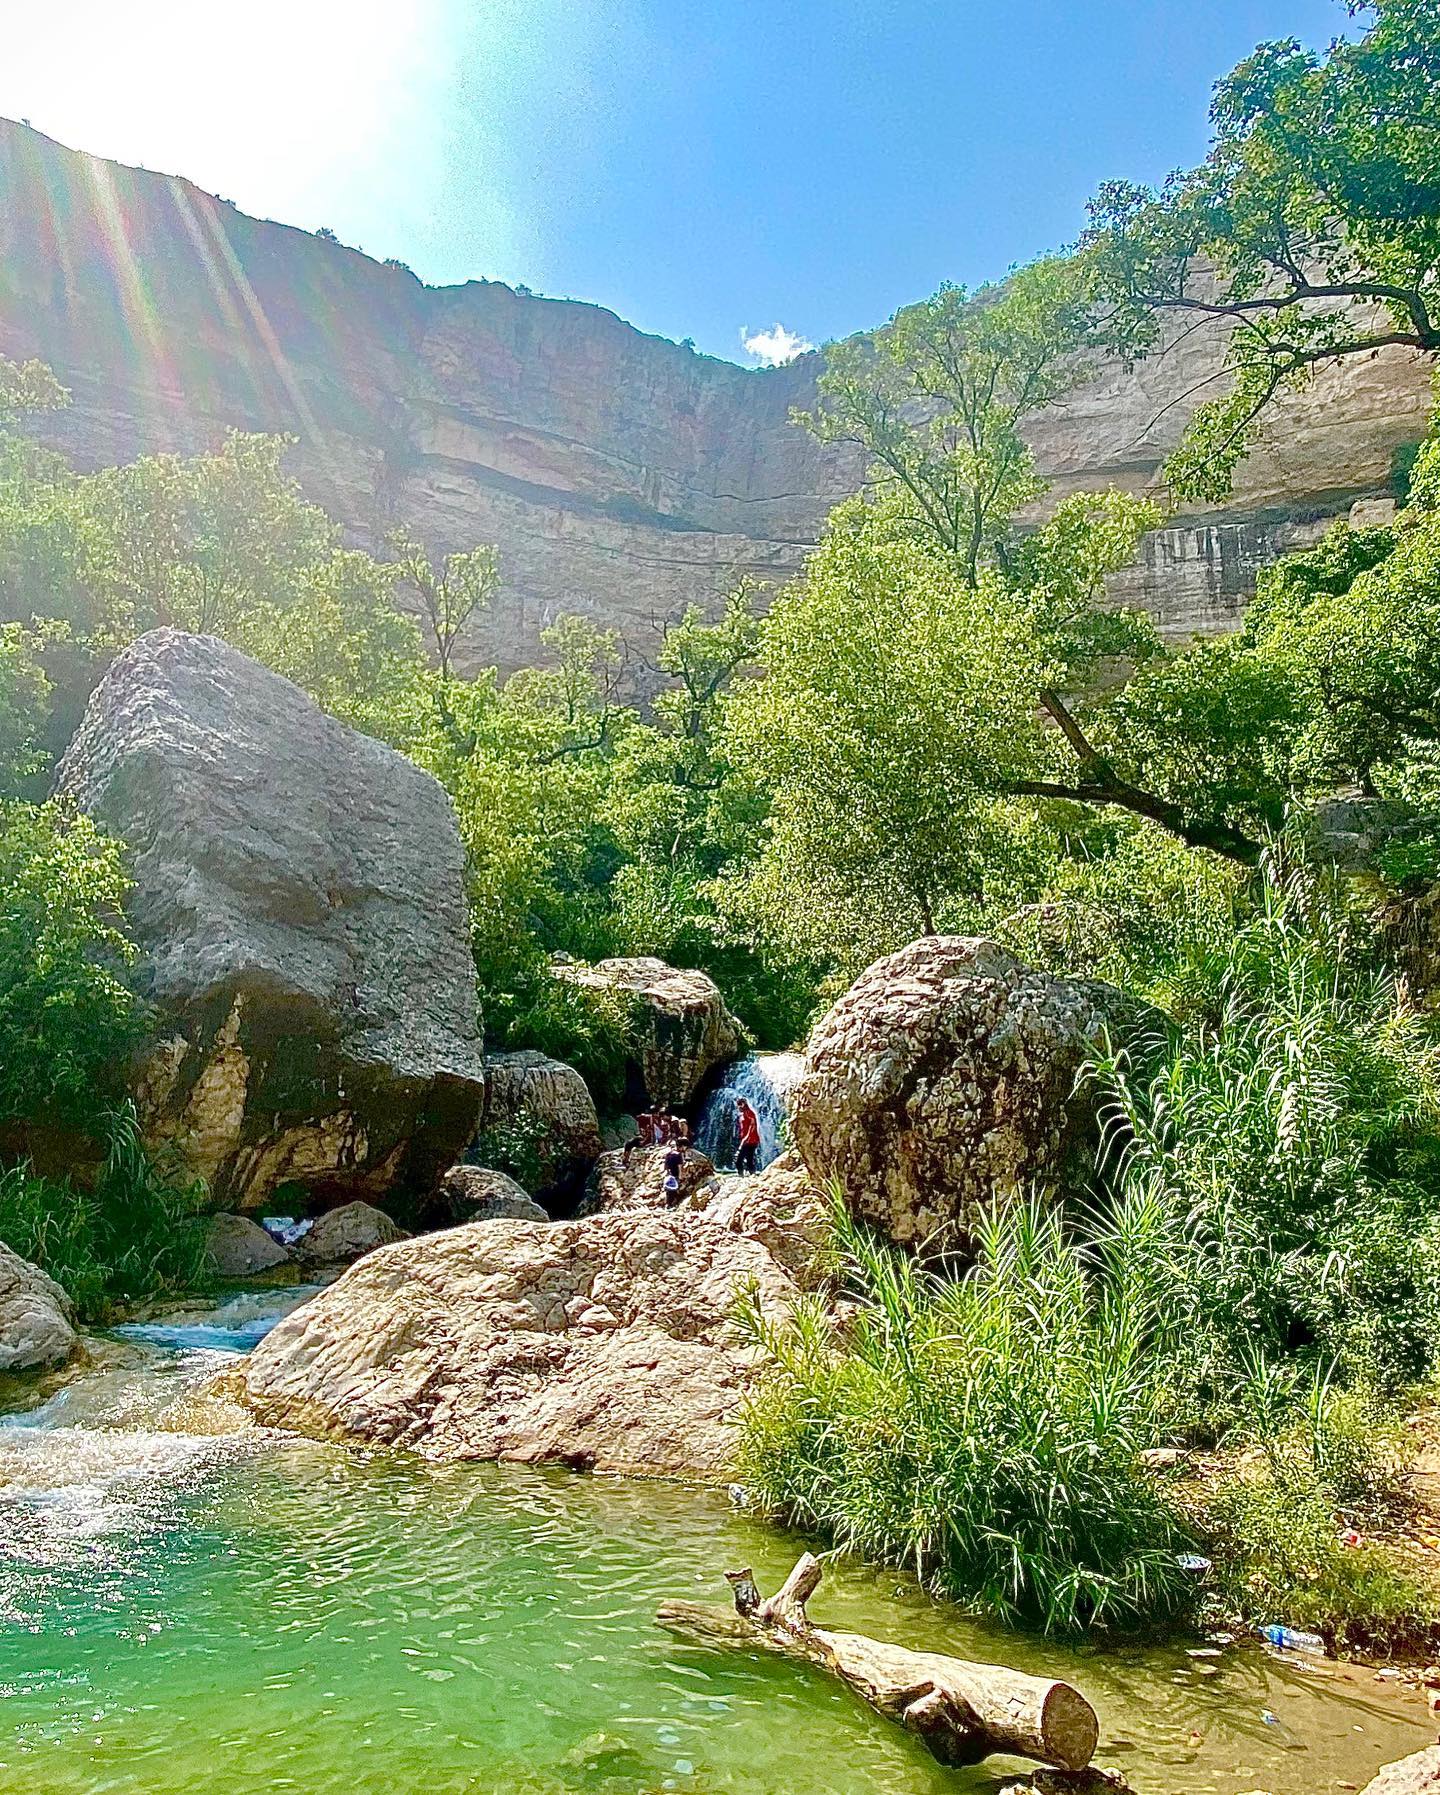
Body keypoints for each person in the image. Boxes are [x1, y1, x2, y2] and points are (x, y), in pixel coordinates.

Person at [734, 1097, 761, 1176]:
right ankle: (752, 1175)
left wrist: (746, 1138)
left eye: (739, 1105)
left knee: (739, 1160)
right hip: (748, 1140)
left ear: (743, 1105)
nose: (738, 1107)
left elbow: (752, 1125)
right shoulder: (743, 1114)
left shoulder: (749, 1113)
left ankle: (741, 1176)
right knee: (749, 1160)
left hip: (750, 1140)